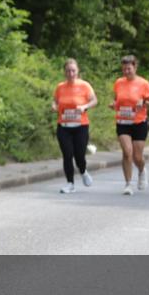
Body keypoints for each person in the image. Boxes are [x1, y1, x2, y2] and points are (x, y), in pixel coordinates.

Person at [111, 55, 149, 196]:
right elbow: (116, 100)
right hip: (123, 121)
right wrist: (113, 104)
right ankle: (128, 184)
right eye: (124, 69)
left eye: (129, 68)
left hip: (139, 122)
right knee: (127, 152)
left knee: (137, 157)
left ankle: (142, 170)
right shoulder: (119, 83)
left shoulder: (143, 84)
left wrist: (143, 102)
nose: (126, 71)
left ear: (135, 67)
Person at [52, 58, 98, 194]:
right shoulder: (60, 87)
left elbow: (94, 100)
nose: (71, 74)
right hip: (64, 125)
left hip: (80, 126)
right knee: (67, 154)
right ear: (64, 72)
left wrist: (84, 106)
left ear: (77, 71)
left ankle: (83, 171)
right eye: (68, 71)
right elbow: (54, 102)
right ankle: (70, 183)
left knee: (79, 156)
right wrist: (54, 107)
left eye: (73, 71)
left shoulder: (84, 85)